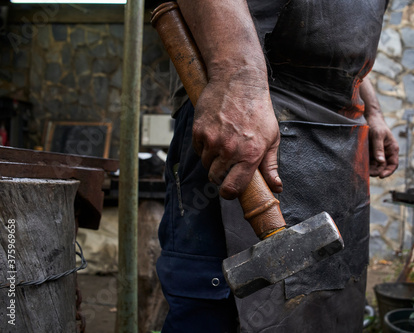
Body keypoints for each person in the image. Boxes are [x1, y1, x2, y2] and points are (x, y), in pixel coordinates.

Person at [156, 0, 399, 332]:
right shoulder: (241, 94)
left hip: (341, 140)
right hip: (246, 118)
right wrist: (237, 79)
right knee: (217, 314)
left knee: (328, 307)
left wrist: (372, 110)